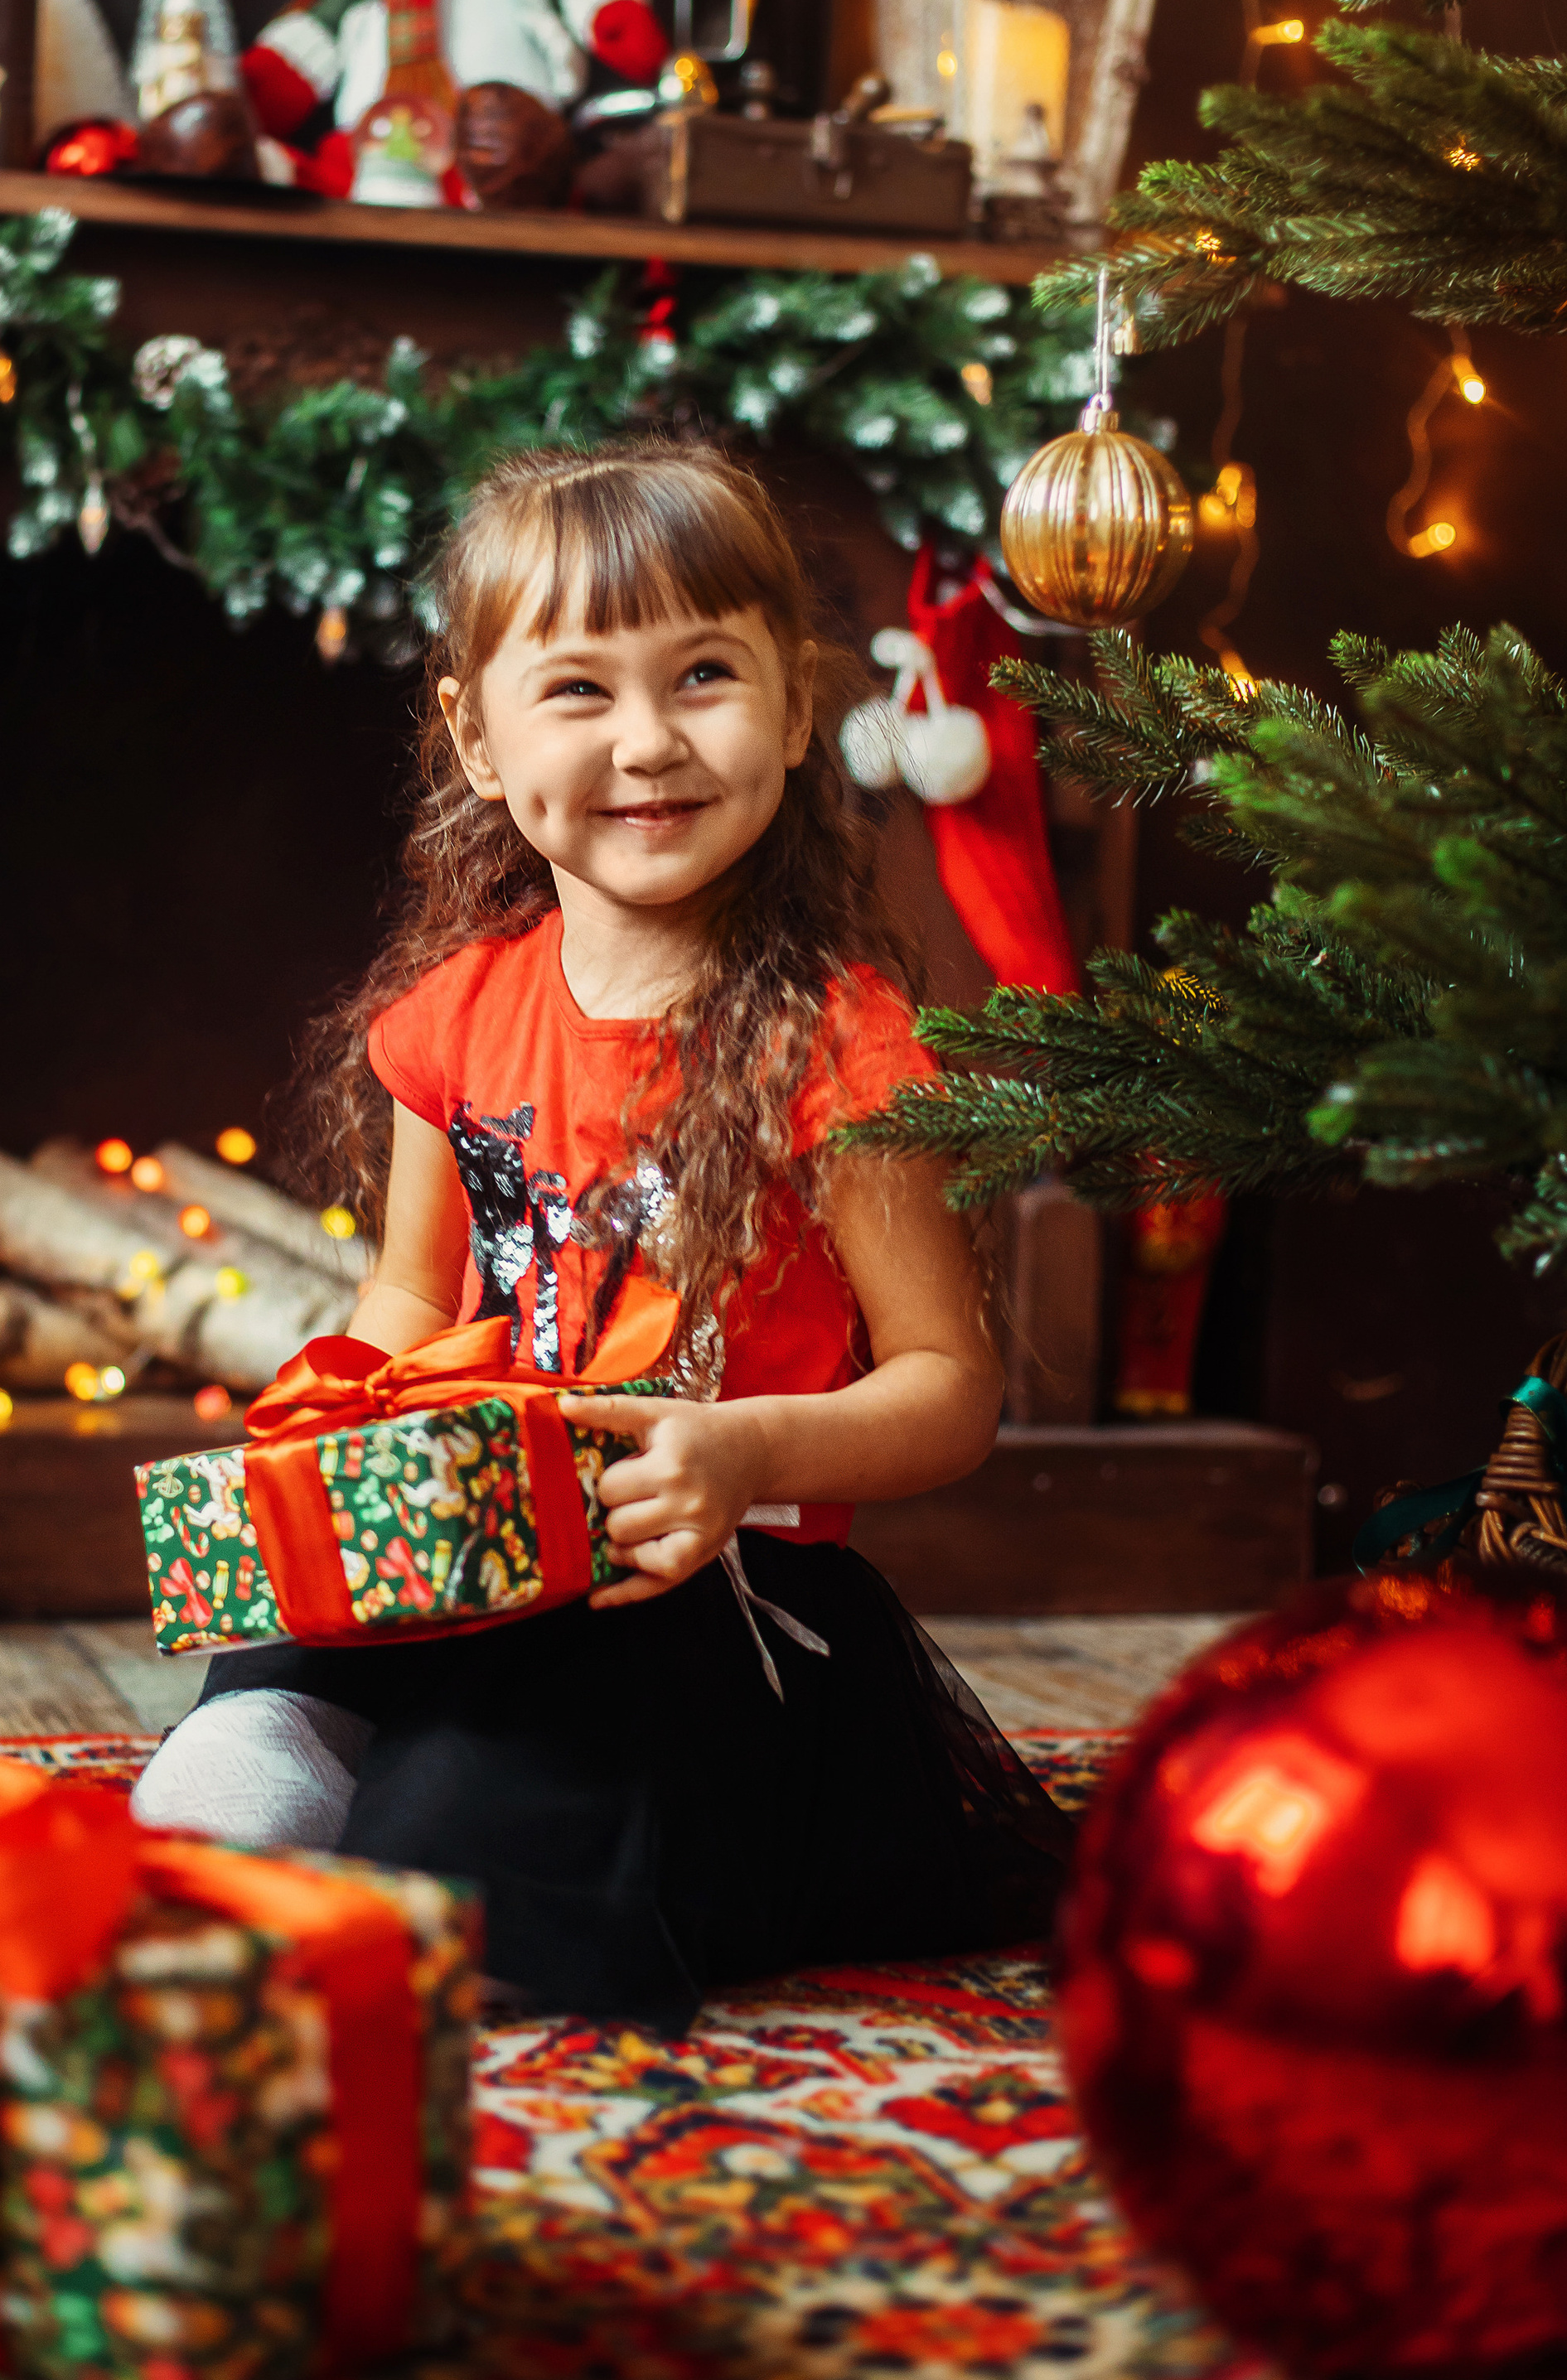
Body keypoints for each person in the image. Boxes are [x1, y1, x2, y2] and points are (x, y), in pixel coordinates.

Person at [134, 437, 1072, 2026]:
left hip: (696, 1597)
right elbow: (408, 1296)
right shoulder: (455, 1022)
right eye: (577, 690)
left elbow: (946, 1387)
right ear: (477, 740)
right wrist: (333, 1421)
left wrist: (744, 1454)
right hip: (473, 1552)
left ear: (790, 708)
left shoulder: (838, 1050)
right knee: (234, 1760)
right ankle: (309, 1831)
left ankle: (437, 1869)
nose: (648, 742)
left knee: (475, 1850)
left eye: (703, 675)